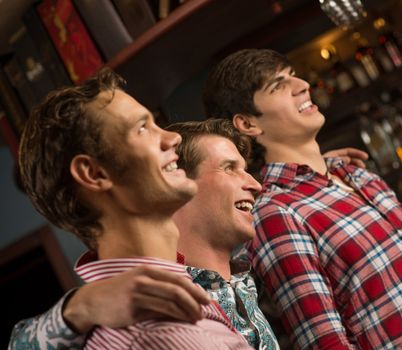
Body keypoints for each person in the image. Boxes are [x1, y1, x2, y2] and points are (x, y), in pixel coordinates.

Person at [202, 48, 402, 349]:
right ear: (248, 124)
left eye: (294, 75)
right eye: (278, 85)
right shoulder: (276, 215)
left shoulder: (357, 175)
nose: (302, 85)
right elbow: (328, 346)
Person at [13, 68, 252, 349]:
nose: (172, 138)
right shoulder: (158, 333)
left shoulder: (178, 301)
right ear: (93, 173)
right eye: (142, 128)